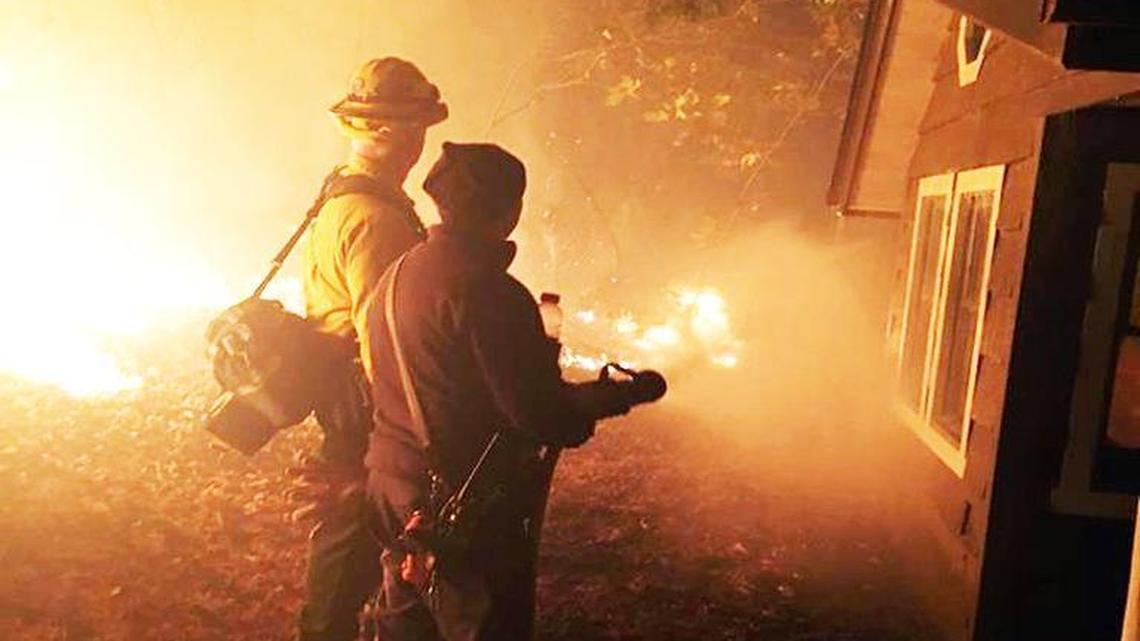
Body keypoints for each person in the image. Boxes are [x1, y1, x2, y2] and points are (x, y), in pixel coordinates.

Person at [360, 142, 661, 641]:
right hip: (460, 502)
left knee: (404, 627)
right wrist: (618, 397)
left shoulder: (397, 275)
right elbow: (541, 416)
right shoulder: (490, 292)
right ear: (510, 210)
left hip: (392, 483)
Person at [293, 57, 447, 641]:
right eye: (411, 126)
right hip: (365, 399)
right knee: (353, 533)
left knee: (349, 531)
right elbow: (382, 334)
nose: (417, 141)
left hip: (346, 391)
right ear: (383, 130)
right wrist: (408, 421)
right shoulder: (375, 217)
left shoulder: (342, 198)